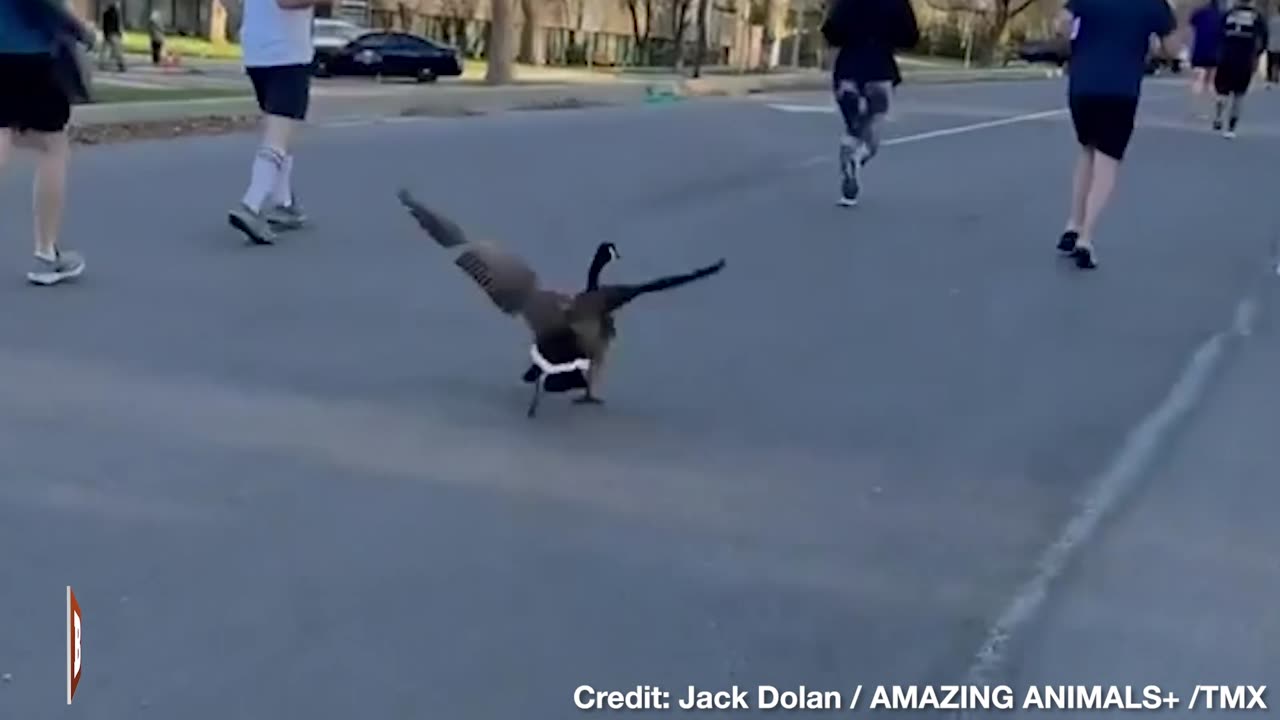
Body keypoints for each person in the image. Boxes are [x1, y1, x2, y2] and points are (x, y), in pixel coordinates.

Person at [1054, 0, 1176, 270]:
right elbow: (1170, 48)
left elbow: (1061, 23)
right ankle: (1086, 238)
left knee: (1087, 149)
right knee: (1107, 161)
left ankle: (1073, 223)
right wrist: (1155, 47)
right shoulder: (1154, 4)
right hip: (1121, 89)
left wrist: (1074, 40)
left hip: (1083, 86)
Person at [0, 0, 96, 285]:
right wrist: (82, 30)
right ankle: (46, 254)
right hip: (33, 53)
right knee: (53, 147)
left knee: (4, 135)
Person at [227, 0, 331, 245]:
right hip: (285, 53)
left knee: (284, 130)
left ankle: (284, 205)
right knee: (278, 134)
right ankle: (251, 206)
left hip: (257, 51)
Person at [820, 0, 919, 207]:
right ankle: (858, 158)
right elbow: (910, 37)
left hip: (848, 69)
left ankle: (849, 186)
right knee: (873, 125)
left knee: (853, 127)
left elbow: (831, 32)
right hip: (879, 69)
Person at [1213, 0, 1269, 137]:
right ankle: (1231, 128)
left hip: (1227, 56)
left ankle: (1219, 116)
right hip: (1244, 58)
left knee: (1222, 91)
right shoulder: (1256, 17)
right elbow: (1264, 37)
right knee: (1239, 94)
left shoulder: (1228, 14)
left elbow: (1218, 33)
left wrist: (1218, 51)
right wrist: (1258, 53)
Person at [1189, 0, 1224, 116]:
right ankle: (1209, 109)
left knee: (1198, 80)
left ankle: (1196, 109)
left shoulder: (1199, 13)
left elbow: (1192, 24)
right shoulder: (1222, 16)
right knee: (1211, 82)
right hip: (1214, 52)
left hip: (1199, 50)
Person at [98, 1, 125, 71]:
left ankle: (102, 64)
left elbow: (105, 25)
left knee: (104, 50)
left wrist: (105, 34)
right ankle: (121, 64)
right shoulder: (116, 13)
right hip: (114, 34)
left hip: (108, 33)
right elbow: (117, 25)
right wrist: (119, 33)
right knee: (117, 50)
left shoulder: (106, 13)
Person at [1266, 6, 1280, 86]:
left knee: (1272, 61)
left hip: (1271, 44)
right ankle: (1276, 75)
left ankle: (1271, 76)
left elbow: (1267, 31)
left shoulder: (1272, 20)